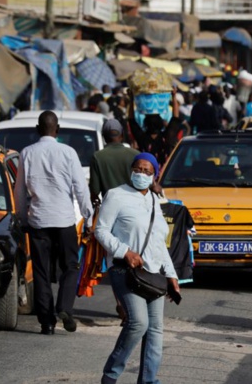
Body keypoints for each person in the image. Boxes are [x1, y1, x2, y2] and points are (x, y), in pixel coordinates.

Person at [94, 153, 179, 384]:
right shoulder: (116, 195)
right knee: (138, 322)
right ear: (131, 170)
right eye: (138, 169)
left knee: (155, 330)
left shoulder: (154, 200)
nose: (141, 174)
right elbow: (100, 230)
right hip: (125, 270)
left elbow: (159, 242)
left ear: (154, 176)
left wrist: (171, 275)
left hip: (153, 275)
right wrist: (125, 251)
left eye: (147, 171)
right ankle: (110, 375)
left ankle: (148, 380)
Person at [15, 111, 93, 335]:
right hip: (64, 220)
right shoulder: (68, 152)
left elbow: (19, 191)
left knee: (40, 272)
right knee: (70, 266)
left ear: (38, 129)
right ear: (56, 129)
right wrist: (88, 218)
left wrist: (21, 219)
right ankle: (64, 307)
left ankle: (46, 322)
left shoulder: (27, 153)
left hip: (38, 220)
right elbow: (80, 188)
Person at [128, 88, 185, 167]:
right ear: (160, 123)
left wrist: (131, 99)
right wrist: (174, 96)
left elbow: (132, 121)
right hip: (163, 174)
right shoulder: (167, 137)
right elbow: (175, 118)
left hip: (146, 173)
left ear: (146, 123)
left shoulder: (142, 138)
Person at [89, 119, 140, 204]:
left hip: (110, 207)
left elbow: (95, 190)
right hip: (133, 205)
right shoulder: (136, 155)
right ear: (122, 135)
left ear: (104, 136)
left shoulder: (97, 157)